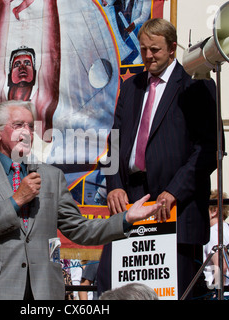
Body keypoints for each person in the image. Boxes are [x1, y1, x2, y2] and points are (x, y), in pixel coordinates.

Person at [0, 99, 164, 300]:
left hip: (44, 290)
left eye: (30, 126)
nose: (26, 132)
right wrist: (16, 201)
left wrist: (126, 218)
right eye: (18, 125)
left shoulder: (51, 176)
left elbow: (80, 229)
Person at [100, 18, 218, 299]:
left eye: (155, 49)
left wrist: (174, 191)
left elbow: (209, 149)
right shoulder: (130, 88)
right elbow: (114, 144)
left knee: (172, 291)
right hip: (132, 200)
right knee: (110, 284)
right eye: (143, 50)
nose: (149, 56)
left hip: (177, 206)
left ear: (172, 48)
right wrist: (114, 183)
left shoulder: (196, 83)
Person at [0, 0, 60, 142]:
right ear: (9, 73)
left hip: (35, 163)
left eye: (27, 63)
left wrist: (50, 2)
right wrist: (4, 5)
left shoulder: (41, 104)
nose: (23, 67)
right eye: (17, 64)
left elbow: (52, 56)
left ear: (36, 73)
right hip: (0, 163)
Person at [203, 190, 229, 297]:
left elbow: (220, 266)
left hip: (222, 293)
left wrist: (217, 294)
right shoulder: (226, 229)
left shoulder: (213, 232)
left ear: (214, 211)